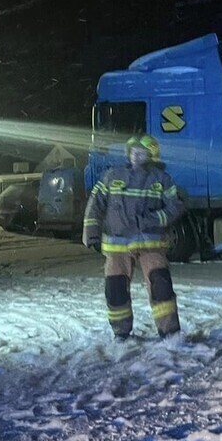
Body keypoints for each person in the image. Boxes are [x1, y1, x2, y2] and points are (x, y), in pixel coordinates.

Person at [82, 134, 186, 339]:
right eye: (134, 152)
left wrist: (151, 219)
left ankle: (170, 333)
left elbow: (176, 206)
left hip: (151, 244)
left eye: (142, 153)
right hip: (117, 246)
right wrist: (91, 234)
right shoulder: (112, 176)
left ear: (151, 156)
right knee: (115, 290)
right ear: (128, 154)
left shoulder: (161, 179)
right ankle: (121, 333)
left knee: (161, 286)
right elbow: (95, 205)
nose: (137, 156)